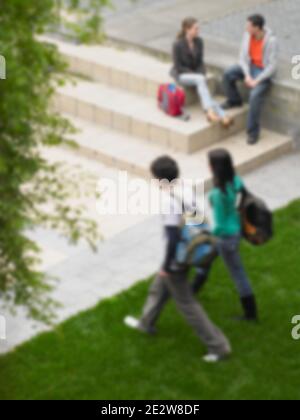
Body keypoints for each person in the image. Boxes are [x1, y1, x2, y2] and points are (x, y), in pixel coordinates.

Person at [124, 156, 231, 363]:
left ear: (159, 179)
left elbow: (172, 238)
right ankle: (146, 323)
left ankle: (218, 347)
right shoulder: (185, 190)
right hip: (189, 250)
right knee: (158, 289)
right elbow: (198, 218)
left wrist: (167, 266)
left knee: (187, 304)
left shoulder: (168, 202)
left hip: (177, 259)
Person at [208, 149, 258, 321]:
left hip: (226, 238)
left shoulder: (217, 194)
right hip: (236, 230)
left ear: (212, 167)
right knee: (206, 258)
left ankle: (250, 314)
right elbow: (241, 199)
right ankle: (193, 288)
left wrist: (211, 234)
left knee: (238, 274)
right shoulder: (236, 181)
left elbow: (220, 224)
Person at [222, 14, 278, 145]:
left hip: (263, 72)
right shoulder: (247, 35)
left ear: (257, 28)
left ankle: (253, 132)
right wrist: (247, 75)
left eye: (248, 25)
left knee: (254, 96)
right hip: (249, 67)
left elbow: (272, 66)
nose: (246, 27)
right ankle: (234, 100)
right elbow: (242, 58)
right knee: (228, 74)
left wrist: (256, 80)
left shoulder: (271, 41)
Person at [171, 17, 233, 128]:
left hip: (196, 75)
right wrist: (196, 75)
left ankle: (221, 115)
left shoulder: (199, 41)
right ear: (187, 29)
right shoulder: (177, 45)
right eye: (195, 29)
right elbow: (178, 67)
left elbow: (200, 62)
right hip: (181, 75)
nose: (198, 31)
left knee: (201, 82)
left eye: (198, 28)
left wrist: (201, 73)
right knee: (200, 79)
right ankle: (210, 112)